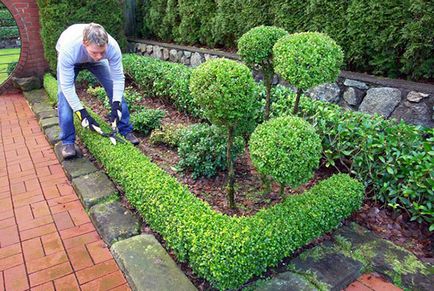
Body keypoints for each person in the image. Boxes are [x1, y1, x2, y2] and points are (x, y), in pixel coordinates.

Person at [56, 22, 139, 159]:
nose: (99, 56)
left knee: (114, 89)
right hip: (73, 60)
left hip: (92, 61)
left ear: (107, 44)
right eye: (95, 52)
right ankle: (68, 142)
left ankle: (125, 130)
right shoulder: (68, 49)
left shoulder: (112, 47)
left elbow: (118, 78)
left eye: (102, 52)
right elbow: (67, 87)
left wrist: (116, 103)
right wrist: (81, 113)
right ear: (84, 43)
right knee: (63, 98)